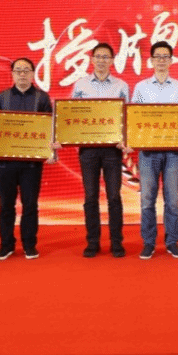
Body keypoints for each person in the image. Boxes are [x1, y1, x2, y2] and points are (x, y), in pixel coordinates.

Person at [0, 57, 55, 260]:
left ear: (32, 73)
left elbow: (50, 128)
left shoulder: (42, 98)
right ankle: (6, 245)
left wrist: (50, 152)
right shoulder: (2, 97)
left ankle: (29, 245)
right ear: (12, 74)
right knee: (6, 205)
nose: (22, 74)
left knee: (30, 205)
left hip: (31, 164)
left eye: (26, 70)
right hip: (5, 163)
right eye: (18, 70)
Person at [130, 41, 178, 260]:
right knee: (147, 199)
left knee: (172, 199)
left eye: (166, 56)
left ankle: (172, 241)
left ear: (171, 60)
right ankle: (148, 242)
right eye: (158, 56)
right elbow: (134, 117)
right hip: (148, 152)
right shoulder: (141, 87)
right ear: (151, 60)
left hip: (173, 151)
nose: (162, 60)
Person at [71, 42, 130, 257]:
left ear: (112, 60)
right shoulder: (80, 85)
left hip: (112, 149)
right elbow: (72, 114)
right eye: (98, 56)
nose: (102, 60)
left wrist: (125, 139)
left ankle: (116, 242)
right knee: (90, 196)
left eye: (106, 57)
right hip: (88, 149)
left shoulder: (121, 85)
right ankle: (93, 242)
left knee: (114, 196)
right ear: (92, 59)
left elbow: (127, 116)